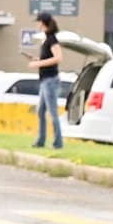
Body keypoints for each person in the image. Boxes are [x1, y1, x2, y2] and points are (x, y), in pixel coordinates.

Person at [31, 12, 67, 148]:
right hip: (44, 80)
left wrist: (38, 64)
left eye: (38, 21)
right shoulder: (46, 40)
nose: (37, 24)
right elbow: (48, 58)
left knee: (53, 112)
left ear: (43, 22)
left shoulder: (52, 39)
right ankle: (40, 140)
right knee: (41, 111)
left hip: (50, 80)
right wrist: (37, 60)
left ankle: (58, 142)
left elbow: (58, 58)